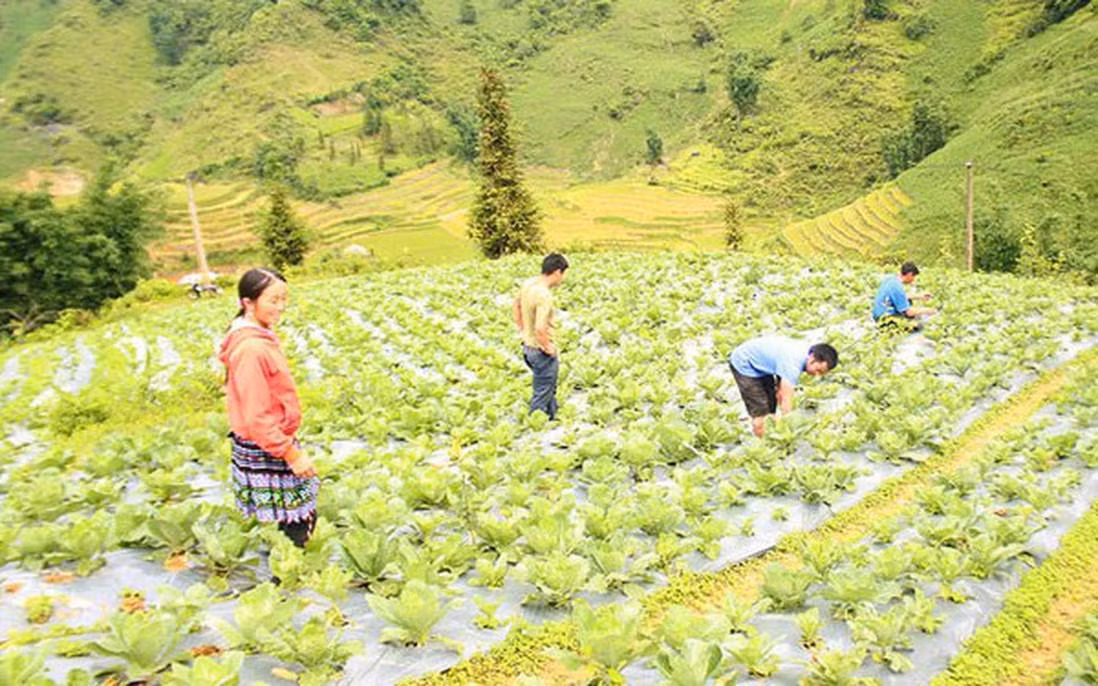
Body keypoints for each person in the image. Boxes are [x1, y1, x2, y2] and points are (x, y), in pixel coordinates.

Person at [218, 268, 318, 548]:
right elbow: (257, 416)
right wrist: (291, 454)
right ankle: (285, 579)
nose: (281, 307)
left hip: (270, 439)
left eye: (284, 299)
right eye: (273, 300)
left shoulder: (256, 337)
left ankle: (284, 573)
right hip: (269, 442)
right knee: (299, 518)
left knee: (292, 518)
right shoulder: (251, 349)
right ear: (247, 303)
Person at [729, 337, 839, 438]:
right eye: (818, 370)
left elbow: (780, 393)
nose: (817, 375)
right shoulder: (792, 363)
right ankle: (761, 444)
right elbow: (786, 400)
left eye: (821, 373)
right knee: (761, 411)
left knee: (771, 404)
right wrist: (790, 428)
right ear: (812, 359)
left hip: (762, 364)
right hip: (744, 363)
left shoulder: (806, 353)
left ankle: (769, 432)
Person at [514, 253, 568, 420]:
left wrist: (523, 329)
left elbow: (516, 305)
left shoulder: (529, 284)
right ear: (557, 272)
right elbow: (540, 328)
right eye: (563, 274)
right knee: (542, 392)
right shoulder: (544, 295)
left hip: (527, 347)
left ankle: (553, 417)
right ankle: (534, 426)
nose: (562, 279)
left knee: (548, 388)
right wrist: (548, 347)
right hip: (540, 351)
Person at [872, 261, 936, 332]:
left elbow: (900, 296)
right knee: (919, 326)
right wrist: (928, 310)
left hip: (877, 314)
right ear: (909, 274)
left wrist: (919, 296)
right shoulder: (897, 287)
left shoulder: (891, 278)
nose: (913, 280)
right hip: (885, 319)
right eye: (913, 276)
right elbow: (909, 312)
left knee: (909, 303)